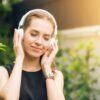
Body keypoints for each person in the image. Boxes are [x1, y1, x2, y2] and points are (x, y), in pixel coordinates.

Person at [0, 9, 65, 100]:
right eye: (34, 34)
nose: (39, 42)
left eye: (46, 38)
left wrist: (46, 68)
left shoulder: (56, 76)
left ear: (52, 42)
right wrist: (19, 58)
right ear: (21, 34)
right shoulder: (3, 72)